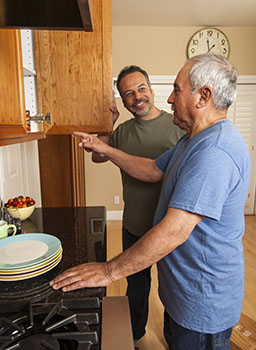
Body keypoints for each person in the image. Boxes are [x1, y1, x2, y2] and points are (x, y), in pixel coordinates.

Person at [51, 54, 251, 350]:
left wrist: (108, 271)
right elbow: (151, 169)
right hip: (182, 292)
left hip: (202, 299)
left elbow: (175, 230)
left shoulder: (215, 152)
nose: (170, 98)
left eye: (177, 89)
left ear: (203, 96)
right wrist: (100, 145)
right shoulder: (191, 140)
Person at [92, 65, 184, 340]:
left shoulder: (177, 127)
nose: (137, 97)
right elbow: (99, 156)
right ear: (123, 99)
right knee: (136, 288)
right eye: (128, 94)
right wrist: (108, 123)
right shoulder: (121, 131)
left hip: (169, 230)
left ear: (152, 90)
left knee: (172, 290)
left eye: (141, 89)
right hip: (133, 226)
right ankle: (133, 335)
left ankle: (172, 337)